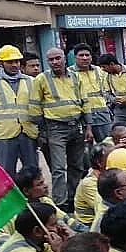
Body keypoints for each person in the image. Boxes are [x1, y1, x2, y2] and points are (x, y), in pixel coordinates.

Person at [30, 47, 92, 209]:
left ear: (65, 59)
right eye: (51, 60)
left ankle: (74, 199)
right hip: (55, 128)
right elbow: (35, 107)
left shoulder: (75, 77)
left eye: (58, 58)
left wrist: (88, 127)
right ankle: (60, 204)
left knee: (77, 166)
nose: (55, 62)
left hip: (76, 126)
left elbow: (85, 102)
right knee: (58, 168)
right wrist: (43, 131)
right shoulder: (41, 79)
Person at [0, 45, 38, 177]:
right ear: (1, 63)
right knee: (7, 172)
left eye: (17, 61)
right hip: (5, 133)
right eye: (9, 62)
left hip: (28, 132)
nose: (14, 65)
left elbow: (37, 107)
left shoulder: (31, 81)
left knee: (32, 170)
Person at [70, 43, 112, 143]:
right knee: (86, 149)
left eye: (87, 55)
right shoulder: (69, 73)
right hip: (82, 118)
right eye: (81, 55)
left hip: (102, 115)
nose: (85, 58)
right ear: (75, 57)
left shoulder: (99, 70)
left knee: (107, 145)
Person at [74, 144, 111, 225]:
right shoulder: (89, 183)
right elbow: (104, 211)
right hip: (87, 226)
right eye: (111, 158)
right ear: (99, 163)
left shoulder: (106, 177)